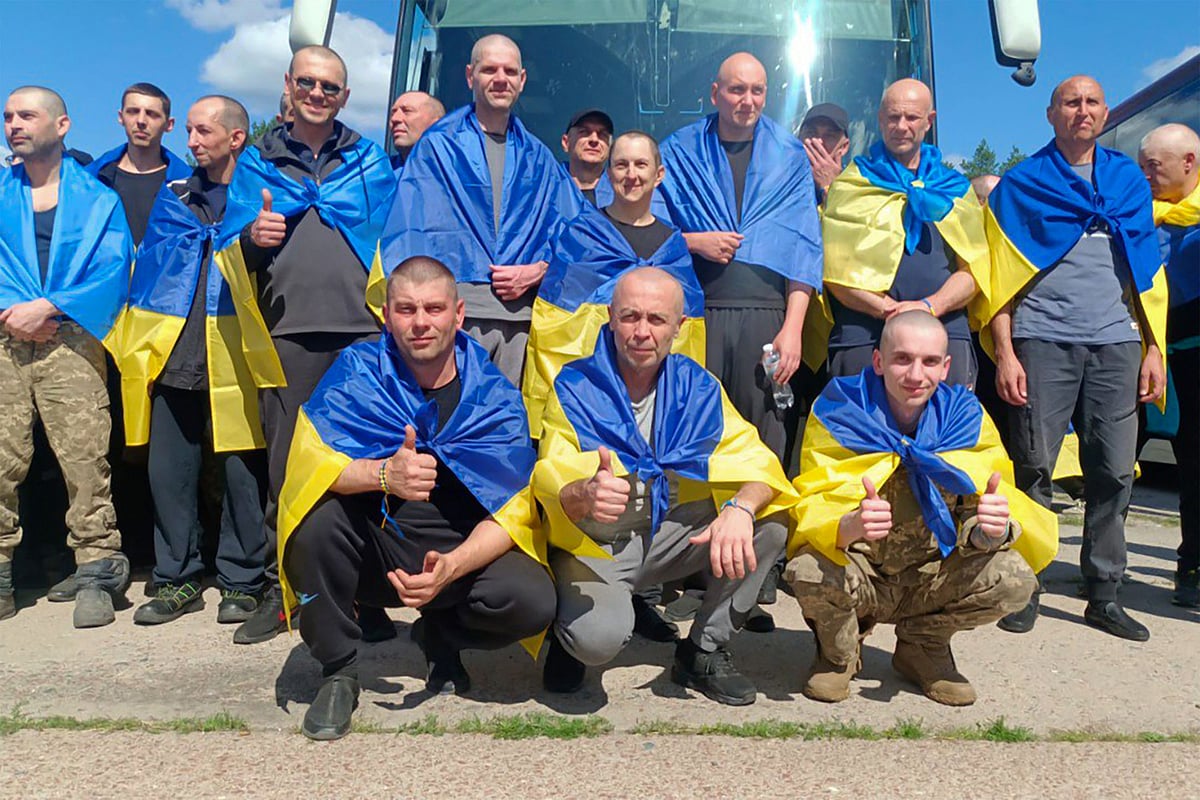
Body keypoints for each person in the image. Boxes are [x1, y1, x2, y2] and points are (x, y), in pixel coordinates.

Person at [279, 256, 555, 741]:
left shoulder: (492, 395)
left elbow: (514, 509)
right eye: (406, 309)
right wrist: (382, 474)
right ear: (386, 315)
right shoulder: (358, 373)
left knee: (531, 600)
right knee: (314, 522)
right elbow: (306, 466)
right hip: (374, 550)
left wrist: (454, 566)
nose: (421, 322)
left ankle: (440, 634)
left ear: (459, 314)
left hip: (455, 555)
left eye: (434, 308)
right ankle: (339, 670)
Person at [534, 267, 796, 706]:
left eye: (656, 320)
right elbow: (548, 477)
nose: (641, 332)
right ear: (611, 318)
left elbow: (760, 464)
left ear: (678, 327)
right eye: (630, 317)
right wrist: (584, 493)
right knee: (597, 640)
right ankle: (569, 637)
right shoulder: (575, 386)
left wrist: (740, 507)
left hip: (668, 534)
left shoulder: (698, 388)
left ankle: (702, 651)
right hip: (596, 543)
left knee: (770, 524)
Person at [212, 44, 396, 645]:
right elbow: (232, 248)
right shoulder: (258, 163)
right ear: (289, 84)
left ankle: (366, 596)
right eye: (309, 83)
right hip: (287, 334)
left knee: (366, 468)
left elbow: (395, 241)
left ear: (345, 96)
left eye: (331, 87)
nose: (319, 94)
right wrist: (255, 237)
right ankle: (284, 591)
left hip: (365, 335)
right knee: (287, 467)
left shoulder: (370, 160)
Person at [788, 312, 1055, 705]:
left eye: (930, 362)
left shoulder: (966, 419)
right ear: (878, 361)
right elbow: (812, 507)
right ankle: (839, 653)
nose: (916, 374)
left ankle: (923, 647)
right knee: (808, 569)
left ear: (946, 367)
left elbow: (979, 518)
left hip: (932, 576)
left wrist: (989, 530)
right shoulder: (840, 410)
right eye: (902, 359)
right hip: (864, 575)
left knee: (1015, 579)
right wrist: (850, 525)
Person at [983, 76, 1167, 639]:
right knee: (1033, 465)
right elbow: (997, 278)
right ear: (1051, 113)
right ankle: (1027, 583)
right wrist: (1005, 352)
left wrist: (1152, 347)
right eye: (1070, 102)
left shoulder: (1128, 182)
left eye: (1090, 102)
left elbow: (1146, 272)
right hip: (1040, 341)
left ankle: (1105, 592)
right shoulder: (1023, 184)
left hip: (1115, 343)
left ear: (1104, 113)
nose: (1081, 111)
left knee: (1112, 469)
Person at [526, 131, 704, 642]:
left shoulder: (673, 244)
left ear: (658, 174)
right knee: (589, 497)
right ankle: (573, 604)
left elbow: (688, 333)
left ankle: (642, 598)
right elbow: (552, 320)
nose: (631, 174)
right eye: (621, 165)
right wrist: (562, 392)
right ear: (608, 173)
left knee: (650, 493)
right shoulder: (579, 234)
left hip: (653, 397)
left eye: (641, 165)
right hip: (590, 401)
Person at [106, 95, 269, 626]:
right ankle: (178, 578)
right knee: (168, 472)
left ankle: (243, 580)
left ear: (236, 138)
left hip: (237, 352)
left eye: (203, 132)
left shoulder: (261, 197)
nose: (192, 141)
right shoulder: (176, 198)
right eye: (192, 132)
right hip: (175, 351)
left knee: (244, 473)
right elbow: (151, 271)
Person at [0, 86, 134, 627]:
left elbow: (114, 268)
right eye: (8, 116)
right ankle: (2, 573)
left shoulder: (99, 200)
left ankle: (97, 571)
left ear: (62, 125)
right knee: (0, 459)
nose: (14, 124)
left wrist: (51, 305)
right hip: (5, 337)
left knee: (85, 460)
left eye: (26, 115)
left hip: (71, 338)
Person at [378, 33, 581, 386]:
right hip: (454, 320)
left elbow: (579, 233)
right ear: (471, 76)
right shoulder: (437, 147)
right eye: (489, 70)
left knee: (506, 428)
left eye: (509, 70)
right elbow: (408, 233)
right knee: (451, 425)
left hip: (521, 321)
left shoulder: (540, 157)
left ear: (522, 80)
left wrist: (538, 270)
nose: (500, 78)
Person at [655, 52, 823, 460]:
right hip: (698, 312)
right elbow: (644, 227)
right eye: (736, 90)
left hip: (767, 315)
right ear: (716, 94)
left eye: (757, 91)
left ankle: (760, 522)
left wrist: (793, 328)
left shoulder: (789, 156)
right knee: (694, 426)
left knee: (764, 433)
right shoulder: (678, 151)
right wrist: (694, 242)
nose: (747, 100)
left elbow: (804, 249)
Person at [822, 79, 987, 390]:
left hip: (944, 334)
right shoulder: (850, 184)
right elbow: (833, 274)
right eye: (893, 117)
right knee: (859, 435)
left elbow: (975, 271)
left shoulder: (956, 189)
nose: (901, 126)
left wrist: (930, 307)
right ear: (880, 120)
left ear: (929, 121)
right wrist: (888, 310)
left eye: (911, 118)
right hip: (864, 333)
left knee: (949, 435)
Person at [1138, 123, 1199, 608]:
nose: (1146, 177)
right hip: (1150, 354)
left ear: (1189, 164)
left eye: (1153, 168)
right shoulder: (1147, 218)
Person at [87, 82, 191, 245]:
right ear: (121, 117)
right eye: (133, 112)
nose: (141, 121)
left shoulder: (188, 186)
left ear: (169, 125)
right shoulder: (91, 180)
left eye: (152, 114)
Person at [799, 102, 850, 204]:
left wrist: (830, 187)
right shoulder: (780, 179)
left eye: (830, 135)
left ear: (844, 147)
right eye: (811, 133)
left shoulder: (857, 187)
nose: (819, 141)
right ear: (799, 138)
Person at [561, 108, 614, 206]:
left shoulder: (624, 194)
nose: (594, 139)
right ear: (566, 142)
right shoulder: (545, 190)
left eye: (602, 134)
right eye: (584, 132)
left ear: (610, 148)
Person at [388, 91, 445, 170]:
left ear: (435, 124)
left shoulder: (456, 171)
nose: (395, 119)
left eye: (407, 111)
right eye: (393, 113)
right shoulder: (378, 173)